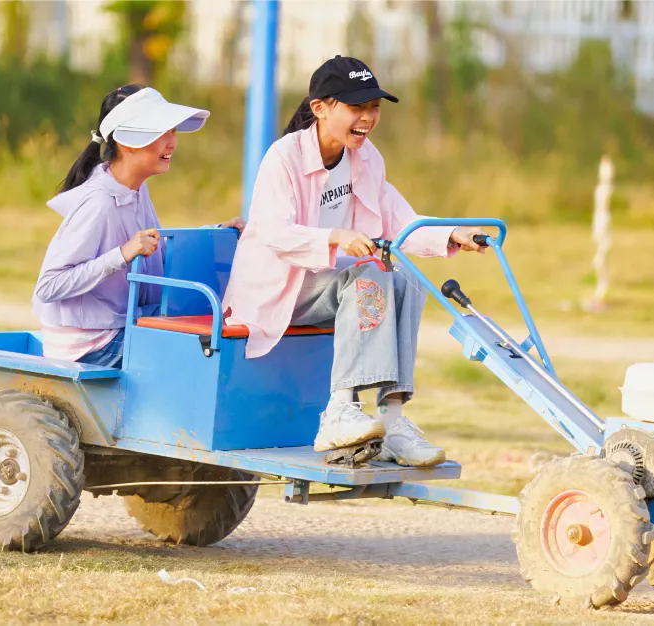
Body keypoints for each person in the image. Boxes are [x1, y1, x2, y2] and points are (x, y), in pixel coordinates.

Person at [222, 57, 486, 467]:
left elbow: (397, 217)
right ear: (320, 108)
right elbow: (273, 231)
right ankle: (340, 410)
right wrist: (335, 236)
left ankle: (393, 421)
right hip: (275, 286)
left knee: (405, 277)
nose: (367, 117)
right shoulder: (284, 157)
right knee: (366, 277)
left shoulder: (366, 158)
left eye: (374, 107)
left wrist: (451, 233)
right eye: (356, 107)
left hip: (331, 283)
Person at [33, 84, 243, 368]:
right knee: (198, 353)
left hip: (120, 320)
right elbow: (48, 286)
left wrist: (216, 231)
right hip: (90, 342)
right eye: (162, 132)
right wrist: (122, 254)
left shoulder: (136, 189)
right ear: (128, 142)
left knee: (216, 329)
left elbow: (154, 246)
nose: (172, 142)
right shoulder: (99, 203)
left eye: (173, 131)